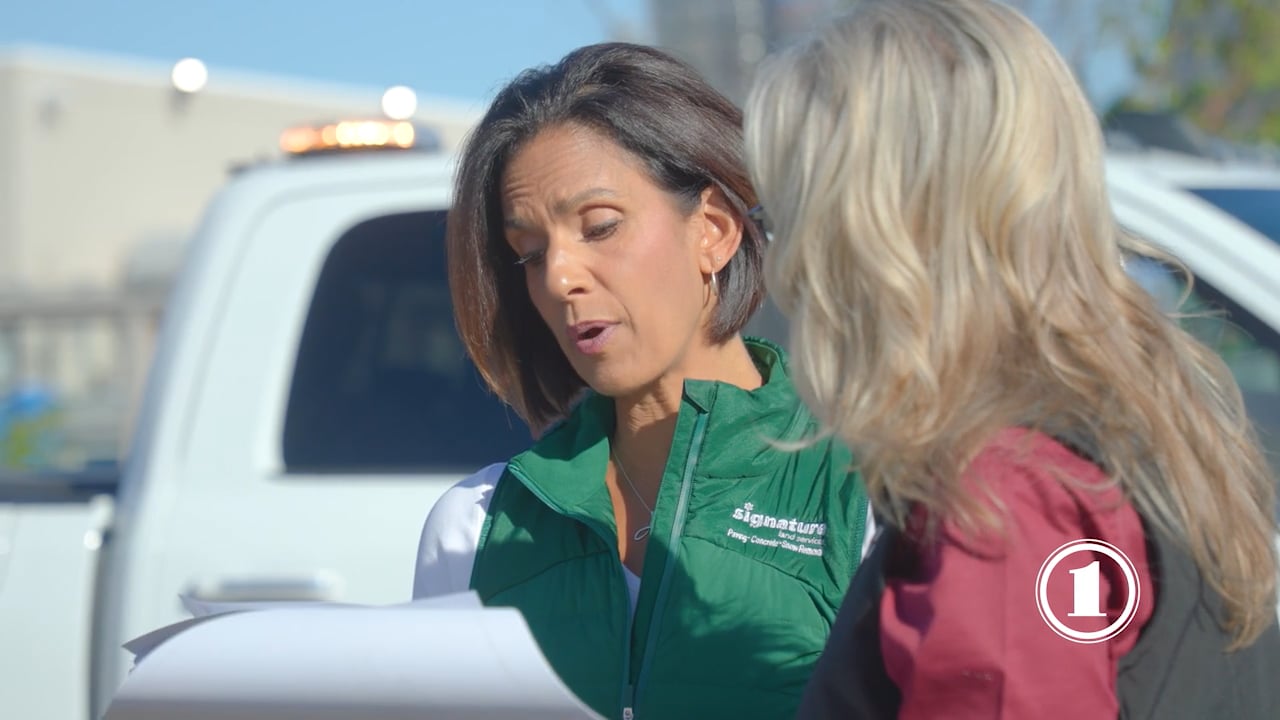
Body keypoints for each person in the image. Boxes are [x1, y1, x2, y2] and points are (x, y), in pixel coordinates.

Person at [742, 0, 1280, 717]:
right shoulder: (1169, 431)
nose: (785, 264)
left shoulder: (1005, 498)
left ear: (870, 235)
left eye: (787, 213)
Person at [412, 42, 871, 720]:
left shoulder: (867, 497)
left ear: (713, 231)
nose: (559, 278)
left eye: (599, 227)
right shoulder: (474, 528)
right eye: (529, 255)